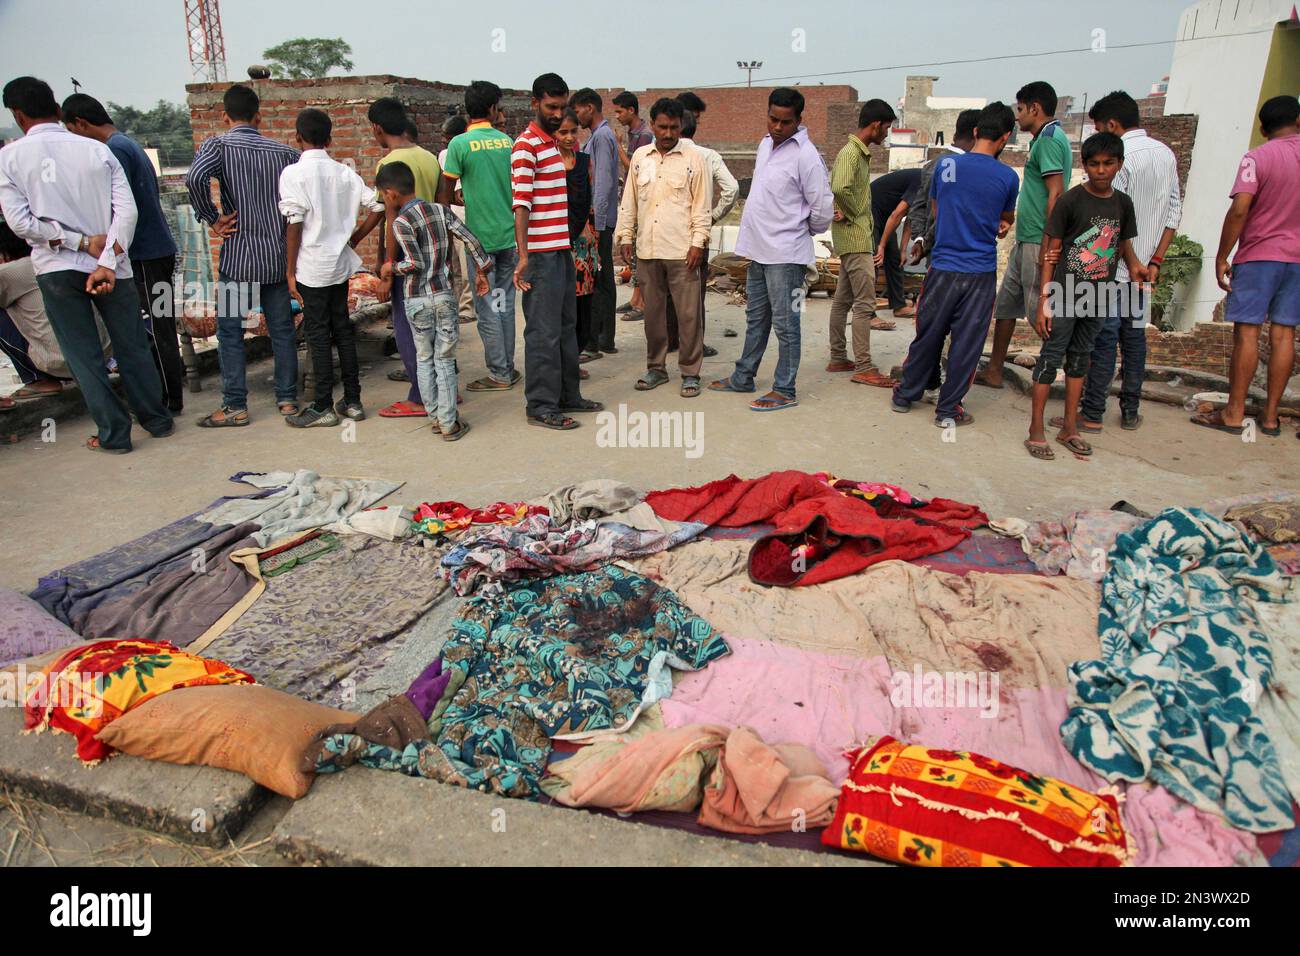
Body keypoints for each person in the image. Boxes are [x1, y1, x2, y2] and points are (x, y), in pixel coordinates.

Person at [0, 76, 172, 452]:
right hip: (114, 266)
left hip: (57, 266)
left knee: (85, 356)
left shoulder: (10, 157)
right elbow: (127, 211)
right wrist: (107, 258)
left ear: (17, 115)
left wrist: (76, 243)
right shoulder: (97, 151)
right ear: (58, 110)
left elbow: (19, 223)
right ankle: (156, 420)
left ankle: (114, 434)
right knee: (131, 346)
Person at [890, 102, 1019, 427]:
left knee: (929, 333)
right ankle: (948, 410)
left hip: (943, 265)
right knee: (967, 344)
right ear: (1005, 138)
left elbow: (937, 210)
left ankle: (905, 394)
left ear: (976, 131)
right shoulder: (1007, 176)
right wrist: (996, 225)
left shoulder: (945, 166)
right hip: (979, 272)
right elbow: (1005, 221)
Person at [1025, 132, 1147, 460]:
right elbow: (1049, 251)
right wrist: (1044, 301)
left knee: (1080, 361)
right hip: (1065, 292)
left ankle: (1069, 427)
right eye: (1094, 164)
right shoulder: (1070, 201)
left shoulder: (1123, 203)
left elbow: (1122, 245)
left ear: (1119, 164)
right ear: (1085, 165)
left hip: (1100, 293)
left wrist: (1135, 266)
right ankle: (1036, 429)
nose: (1101, 170)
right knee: (1051, 359)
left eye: (1108, 163)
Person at [709, 88, 832, 411]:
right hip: (758, 251)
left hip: (786, 255)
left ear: (799, 120)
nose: (778, 127)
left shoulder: (807, 156)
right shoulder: (765, 145)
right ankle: (744, 376)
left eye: (785, 122)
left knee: (786, 324)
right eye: (773, 119)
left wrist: (800, 231)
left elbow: (822, 208)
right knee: (756, 318)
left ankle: (785, 388)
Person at [61, 93, 184, 412]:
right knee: (159, 326)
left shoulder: (114, 151)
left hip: (145, 253)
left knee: (158, 328)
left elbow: (119, 209)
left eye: (71, 130)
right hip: (154, 251)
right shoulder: (127, 145)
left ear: (81, 124)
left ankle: (169, 398)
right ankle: (168, 393)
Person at [1067, 90, 1182, 433]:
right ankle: (1130, 409)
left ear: (1112, 125)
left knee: (1103, 341)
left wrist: (1122, 262)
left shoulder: (1120, 158)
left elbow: (1113, 220)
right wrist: (1155, 259)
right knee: (1134, 340)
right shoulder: (1166, 154)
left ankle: (1092, 412)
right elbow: (1174, 212)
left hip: (1114, 267)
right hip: (1145, 267)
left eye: (1100, 128)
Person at [186, 83, 299, 426]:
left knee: (231, 331)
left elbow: (194, 178)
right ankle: (288, 400)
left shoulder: (218, 145)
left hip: (239, 259)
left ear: (225, 116)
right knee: (282, 331)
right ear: (258, 116)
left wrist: (212, 218)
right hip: (277, 258)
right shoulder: (283, 153)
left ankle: (235, 406)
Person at [1192, 94, 1300, 440]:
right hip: (1297, 259)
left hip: (1260, 255)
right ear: (1298, 121)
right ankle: (1270, 417)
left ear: (1263, 127)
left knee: (1248, 332)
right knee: (1285, 334)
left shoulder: (1257, 158)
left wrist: (1224, 255)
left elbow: (1240, 208)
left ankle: (1235, 413)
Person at [277, 108, 383, 428]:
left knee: (319, 335)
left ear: (297, 139)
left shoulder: (293, 174)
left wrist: (290, 270)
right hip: (339, 265)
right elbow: (378, 206)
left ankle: (322, 404)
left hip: (311, 267)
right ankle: (352, 401)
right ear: (330, 139)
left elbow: (294, 222)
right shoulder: (345, 173)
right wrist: (354, 239)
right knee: (343, 331)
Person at [512, 73, 601, 430]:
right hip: (540, 256)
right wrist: (523, 256)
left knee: (566, 328)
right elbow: (521, 204)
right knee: (543, 332)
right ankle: (541, 405)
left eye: (561, 106)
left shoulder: (555, 145)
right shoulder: (526, 146)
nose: (556, 113)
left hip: (561, 249)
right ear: (534, 103)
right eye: (550, 106)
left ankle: (568, 396)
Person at [378, 161, 490, 442]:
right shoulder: (441, 210)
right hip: (443, 297)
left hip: (416, 300)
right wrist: (482, 270)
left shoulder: (401, 222)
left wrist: (391, 268)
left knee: (424, 358)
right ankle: (450, 422)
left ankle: (436, 419)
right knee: (445, 359)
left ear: (391, 193)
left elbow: (414, 263)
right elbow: (472, 241)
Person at [976, 81, 1072, 389]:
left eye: (1020, 109)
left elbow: (1056, 194)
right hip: (1026, 237)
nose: (1017, 117)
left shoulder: (1050, 141)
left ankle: (1059, 370)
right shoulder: (1043, 140)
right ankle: (994, 370)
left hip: (1037, 239)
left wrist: (1048, 241)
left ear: (1035, 108)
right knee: (1006, 306)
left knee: (1038, 309)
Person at [352, 97, 443, 418]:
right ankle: (443, 390)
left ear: (376, 128)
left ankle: (420, 396)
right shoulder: (430, 158)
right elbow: (442, 207)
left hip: (405, 256)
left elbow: (391, 218)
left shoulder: (388, 164)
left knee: (406, 326)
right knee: (435, 326)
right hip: (433, 252)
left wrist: (386, 266)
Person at [616, 97, 711, 397]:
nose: (668, 133)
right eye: (662, 127)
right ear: (653, 124)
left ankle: (690, 372)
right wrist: (626, 236)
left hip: (683, 252)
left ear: (681, 126)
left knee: (688, 316)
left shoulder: (694, 159)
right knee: (653, 315)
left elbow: (702, 206)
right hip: (647, 250)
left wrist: (698, 243)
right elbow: (629, 201)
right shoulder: (641, 157)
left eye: (673, 128)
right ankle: (656, 367)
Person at [441, 80, 522, 393]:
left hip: (479, 243)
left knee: (486, 307)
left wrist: (464, 201)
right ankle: (508, 367)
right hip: (509, 238)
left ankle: (499, 372)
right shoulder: (508, 142)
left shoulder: (459, 145)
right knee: (504, 304)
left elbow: (446, 196)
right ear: (493, 109)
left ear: (466, 109)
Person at [827, 98, 896, 385]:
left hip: (851, 238)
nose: (887, 134)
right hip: (855, 239)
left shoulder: (855, 153)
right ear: (876, 125)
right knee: (865, 303)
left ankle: (838, 357)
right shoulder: (851, 153)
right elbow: (839, 187)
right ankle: (864, 367)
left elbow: (841, 189)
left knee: (843, 299)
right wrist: (855, 214)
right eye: (887, 128)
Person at [670, 106, 738, 358]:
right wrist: (713, 216)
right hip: (697, 233)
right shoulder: (708, 155)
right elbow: (731, 189)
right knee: (694, 292)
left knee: (666, 290)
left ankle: (669, 340)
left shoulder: (661, 154)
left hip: (666, 233)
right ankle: (694, 344)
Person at [0, 219, 73, 402]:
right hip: (98, 356)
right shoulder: (50, 259)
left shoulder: (9, 272)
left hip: (59, 362)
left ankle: (37, 379)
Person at [571, 88, 619, 358]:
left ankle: (600, 339)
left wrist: (597, 226)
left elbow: (602, 184)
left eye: (577, 110)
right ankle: (603, 337)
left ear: (589, 107)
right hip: (600, 220)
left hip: (599, 222)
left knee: (599, 280)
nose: (576, 116)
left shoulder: (601, 137)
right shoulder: (600, 136)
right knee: (602, 279)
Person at [554, 109, 599, 384]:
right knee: (562, 304)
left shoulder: (584, 162)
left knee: (583, 302)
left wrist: (588, 230)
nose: (569, 137)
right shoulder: (548, 164)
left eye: (573, 131)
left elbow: (589, 198)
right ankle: (563, 361)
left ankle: (576, 355)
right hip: (558, 240)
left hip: (583, 242)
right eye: (563, 132)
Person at [612, 91, 653, 323]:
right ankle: (636, 298)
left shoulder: (644, 136)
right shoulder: (635, 133)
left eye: (619, 111)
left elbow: (635, 169)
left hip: (641, 202)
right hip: (632, 200)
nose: (617, 116)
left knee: (640, 255)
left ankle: (642, 302)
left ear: (631, 110)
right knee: (635, 256)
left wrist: (618, 147)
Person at [866, 166, 921, 320]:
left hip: (885, 216)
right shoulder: (923, 181)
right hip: (871, 210)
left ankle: (899, 306)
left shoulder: (929, 188)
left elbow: (909, 218)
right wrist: (882, 245)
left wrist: (903, 250)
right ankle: (868, 314)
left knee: (895, 259)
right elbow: (897, 214)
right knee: (875, 260)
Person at [437, 114, 476, 324]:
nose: (444, 140)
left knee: (461, 264)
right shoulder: (461, 149)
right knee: (459, 264)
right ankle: (463, 306)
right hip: (457, 213)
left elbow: (455, 191)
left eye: (447, 136)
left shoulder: (450, 151)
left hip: (457, 214)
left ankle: (467, 307)